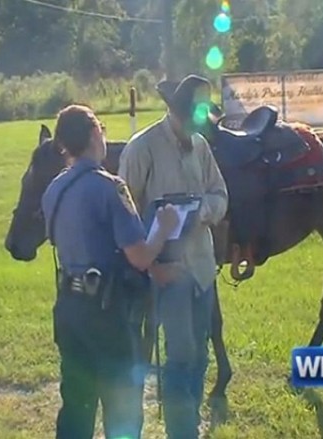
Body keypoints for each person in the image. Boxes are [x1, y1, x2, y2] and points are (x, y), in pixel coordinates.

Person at [41, 104, 180, 439]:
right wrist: (164, 228)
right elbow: (140, 256)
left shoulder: (53, 190)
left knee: (76, 405)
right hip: (108, 314)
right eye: (100, 128)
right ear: (93, 134)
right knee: (122, 409)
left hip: (69, 310)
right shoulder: (110, 187)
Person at [118, 75, 229, 439]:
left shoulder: (200, 147)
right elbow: (125, 214)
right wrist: (150, 264)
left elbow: (220, 195)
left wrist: (203, 212)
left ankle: (188, 425)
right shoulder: (143, 148)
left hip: (201, 270)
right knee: (181, 357)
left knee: (199, 356)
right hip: (167, 273)